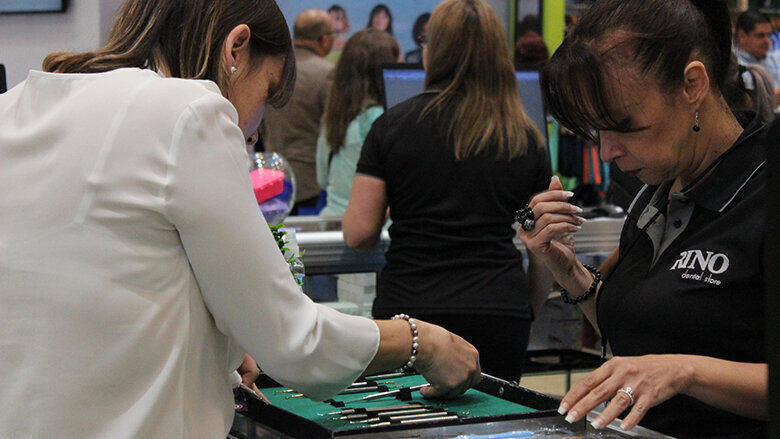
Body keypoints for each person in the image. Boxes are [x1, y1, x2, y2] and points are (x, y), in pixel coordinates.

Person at [0, 1, 483, 437]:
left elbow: (108, 287)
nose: (253, 134)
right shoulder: (188, 110)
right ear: (237, 47)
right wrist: (422, 340)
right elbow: (296, 342)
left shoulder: (16, 103)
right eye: (267, 93)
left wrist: (223, 346)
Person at [521, 0, 767, 437]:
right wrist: (569, 271)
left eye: (624, 126)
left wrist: (685, 372)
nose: (607, 153)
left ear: (693, 84)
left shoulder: (763, 191)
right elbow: (646, 327)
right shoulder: (658, 192)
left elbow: (668, 362)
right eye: (598, 131)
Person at [343, 0, 553, 383]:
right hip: (499, 311)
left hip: (411, 317)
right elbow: (546, 247)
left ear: (432, 50)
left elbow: (358, 234)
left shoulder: (392, 127)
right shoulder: (526, 137)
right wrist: (527, 308)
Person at [316, 29, 400, 217]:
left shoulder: (333, 118)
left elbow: (322, 180)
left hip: (332, 223)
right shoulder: (381, 120)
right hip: (372, 229)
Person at [262, 9, 335, 215]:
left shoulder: (272, 68)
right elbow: (332, 131)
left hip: (272, 180)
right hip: (311, 185)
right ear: (324, 39)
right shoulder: (327, 73)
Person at [734, 9, 780, 105]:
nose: (767, 40)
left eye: (769, 35)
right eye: (761, 35)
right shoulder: (734, 67)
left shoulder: (774, 57)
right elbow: (749, 105)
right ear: (742, 36)